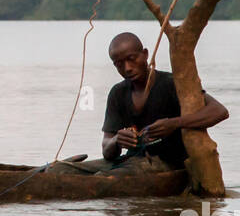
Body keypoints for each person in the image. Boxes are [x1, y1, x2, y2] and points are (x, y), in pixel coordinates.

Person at [44, 31, 228, 176]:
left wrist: (174, 124)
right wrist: (117, 140)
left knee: (106, 177)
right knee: (58, 170)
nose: (127, 68)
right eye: (119, 64)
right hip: (129, 162)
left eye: (132, 59)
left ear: (145, 54)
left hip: (166, 164)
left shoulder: (172, 84)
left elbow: (219, 111)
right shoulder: (118, 93)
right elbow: (107, 151)